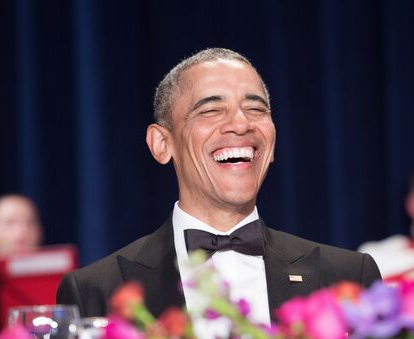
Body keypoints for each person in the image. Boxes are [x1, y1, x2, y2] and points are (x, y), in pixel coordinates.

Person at [56, 48, 381, 331]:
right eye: (211, 110)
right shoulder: (96, 290)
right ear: (161, 144)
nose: (241, 124)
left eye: (256, 109)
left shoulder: (348, 276)